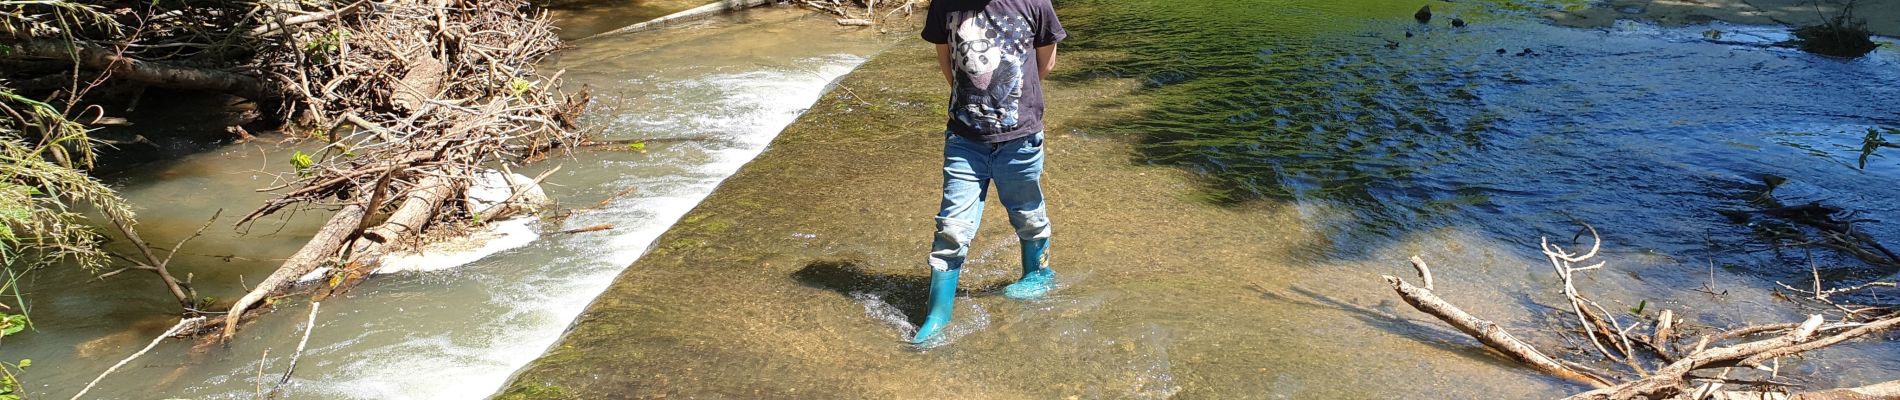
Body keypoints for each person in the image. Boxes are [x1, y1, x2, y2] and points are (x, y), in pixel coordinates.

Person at [912, 0, 1066, 345]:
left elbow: (1045, 63)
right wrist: (977, 106)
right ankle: (937, 316)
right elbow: (947, 63)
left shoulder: (1034, 3)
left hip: (1021, 140)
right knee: (952, 227)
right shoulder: (944, 4)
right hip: (964, 141)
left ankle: (1037, 274)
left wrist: (1010, 100)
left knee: (1027, 214)